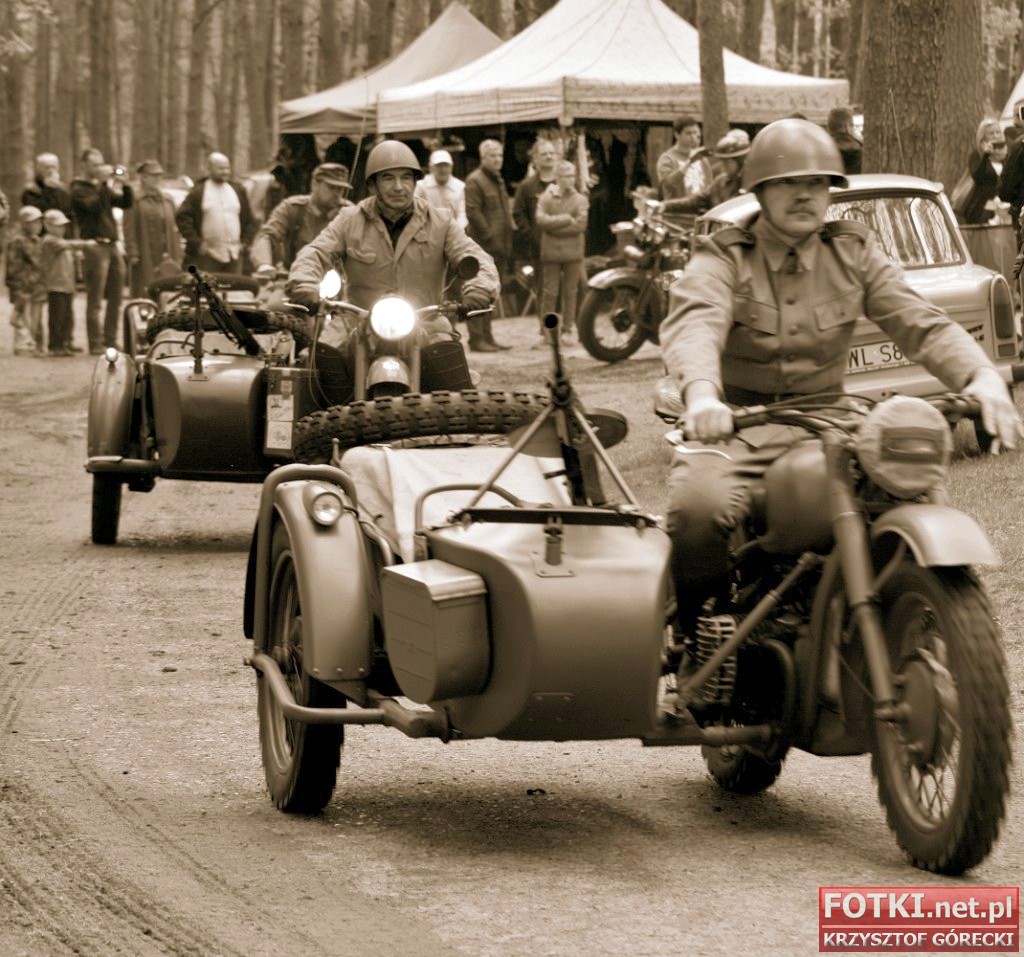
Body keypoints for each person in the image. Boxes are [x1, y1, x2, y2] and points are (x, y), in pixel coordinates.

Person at [660, 118, 1022, 644]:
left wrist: (981, 376)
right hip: (736, 426)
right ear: (760, 189)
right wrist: (701, 396)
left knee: (912, 477)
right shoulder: (725, 256)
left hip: (828, 419)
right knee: (698, 509)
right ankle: (701, 631)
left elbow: (919, 321)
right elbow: (697, 323)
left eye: (816, 183)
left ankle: (920, 616)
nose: (804, 195)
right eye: (788, 182)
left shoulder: (851, 252)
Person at [285, 140, 499, 361]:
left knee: (451, 367)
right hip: (356, 320)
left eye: (406, 177)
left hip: (426, 321)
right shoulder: (349, 219)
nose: (399, 187)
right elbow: (316, 252)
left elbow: (474, 255)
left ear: (415, 182)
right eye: (388, 178)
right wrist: (304, 284)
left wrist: (479, 289)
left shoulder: (440, 221)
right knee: (318, 364)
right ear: (372, 185)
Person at [70, 148, 133, 353]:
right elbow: (95, 207)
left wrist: (125, 184)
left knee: (116, 297)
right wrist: (105, 185)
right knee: (95, 298)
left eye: (100, 164)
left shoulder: (101, 188)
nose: (99, 168)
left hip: (112, 245)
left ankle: (111, 339)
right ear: (84, 165)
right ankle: (95, 342)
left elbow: (125, 203)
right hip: (94, 246)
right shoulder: (78, 189)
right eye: (94, 164)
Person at [251, 163, 353, 274]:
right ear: (314, 184)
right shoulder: (293, 208)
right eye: (331, 187)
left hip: (332, 278)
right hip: (293, 275)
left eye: (340, 189)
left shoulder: (349, 213)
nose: (336, 194)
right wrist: (264, 264)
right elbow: (267, 235)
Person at [464, 138, 514, 351]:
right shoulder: (475, 181)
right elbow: (473, 212)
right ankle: (477, 339)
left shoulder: (497, 180)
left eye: (500, 155)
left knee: (492, 292)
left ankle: (487, 336)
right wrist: (490, 239)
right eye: (492, 155)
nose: (497, 159)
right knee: (479, 292)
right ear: (483, 158)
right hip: (484, 247)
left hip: (499, 246)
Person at [175, 151, 256, 274]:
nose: (225, 172)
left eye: (227, 168)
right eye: (220, 169)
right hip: (208, 255)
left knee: (234, 286)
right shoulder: (198, 192)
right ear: (209, 169)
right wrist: (197, 243)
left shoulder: (238, 190)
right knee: (206, 285)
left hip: (234, 254)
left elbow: (250, 219)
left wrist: (245, 243)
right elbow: (181, 217)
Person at [535, 160, 589, 346]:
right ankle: (547, 331)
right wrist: (566, 219)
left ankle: (567, 330)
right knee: (550, 293)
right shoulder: (546, 198)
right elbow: (540, 220)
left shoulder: (580, 199)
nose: (571, 179)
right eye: (567, 176)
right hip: (551, 253)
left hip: (573, 253)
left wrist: (553, 228)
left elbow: (580, 225)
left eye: (573, 175)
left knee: (570, 293)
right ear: (557, 178)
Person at [512, 137, 560, 314]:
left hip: (567, 246)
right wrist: (533, 236)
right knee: (545, 290)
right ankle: (549, 327)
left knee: (577, 287)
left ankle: (576, 326)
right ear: (535, 159)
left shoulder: (565, 182)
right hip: (541, 249)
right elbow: (518, 213)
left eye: (552, 153)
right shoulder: (526, 187)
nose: (549, 156)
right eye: (544, 153)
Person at [40, 209, 95, 357]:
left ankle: (66, 342)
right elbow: (67, 245)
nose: (62, 228)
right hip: (55, 286)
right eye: (58, 225)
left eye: (63, 225)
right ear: (48, 225)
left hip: (67, 285)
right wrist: (86, 243)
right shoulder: (49, 240)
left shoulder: (61, 241)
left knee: (68, 317)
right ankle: (55, 345)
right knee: (57, 317)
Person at [663, 129, 751, 219]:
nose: (723, 167)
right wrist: (664, 206)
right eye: (722, 161)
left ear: (742, 161)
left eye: (728, 162)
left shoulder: (750, 187)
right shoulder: (719, 183)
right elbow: (695, 202)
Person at [124, 159, 181, 297]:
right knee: (145, 291)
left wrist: (179, 251)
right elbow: (129, 229)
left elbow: (176, 228)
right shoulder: (134, 200)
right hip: (145, 253)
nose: (158, 179)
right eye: (154, 176)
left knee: (168, 291)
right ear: (144, 177)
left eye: (159, 176)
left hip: (167, 253)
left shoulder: (167, 200)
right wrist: (133, 253)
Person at [6, 206, 47, 356]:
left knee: (36, 319)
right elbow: (13, 266)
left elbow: (42, 264)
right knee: (22, 318)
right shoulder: (17, 241)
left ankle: (36, 345)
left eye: (39, 222)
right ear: (25, 223)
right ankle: (22, 346)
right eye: (34, 222)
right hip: (23, 286)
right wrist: (16, 286)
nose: (38, 225)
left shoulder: (38, 241)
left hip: (37, 285)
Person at [957, 119, 1005, 226]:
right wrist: (985, 156)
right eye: (991, 133)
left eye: (997, 132)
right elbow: (977, 177)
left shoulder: (1005, 153)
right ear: (983, 137)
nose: (995, 135)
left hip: (1002, 206)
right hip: (982, 207)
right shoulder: (976, 155)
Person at [656, 115, 713, 194]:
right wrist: (689, 162)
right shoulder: (667, 159)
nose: (693, 137)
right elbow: (667, 186)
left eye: (695, 132)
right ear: (677, 135)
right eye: (688, 133)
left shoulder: (702, 159)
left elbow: (710, 186)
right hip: (678, 202)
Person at [415, 150, 467, 229]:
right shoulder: (421, 186)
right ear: (431, 168)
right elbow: (415, 212)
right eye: (439, 166)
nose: (443, 170)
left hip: (452, 229)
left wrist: (456, 231)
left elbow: (462, 214)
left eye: (446, 165)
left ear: (451, 167)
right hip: (427, 229)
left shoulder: (460, 187)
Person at [22, 152, 74, 220]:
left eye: (53, 167)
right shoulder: (31, 191)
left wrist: (57, 189)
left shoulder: (63, 190)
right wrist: (50, 189)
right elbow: (43, 213)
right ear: (38, 169)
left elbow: (68, 211)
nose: (51, 171)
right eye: (47, 167)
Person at [826, 107, 862, 175]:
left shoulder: (823, 148)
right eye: (852, 125)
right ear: (847, 127)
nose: (853, 129)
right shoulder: (860, 149)